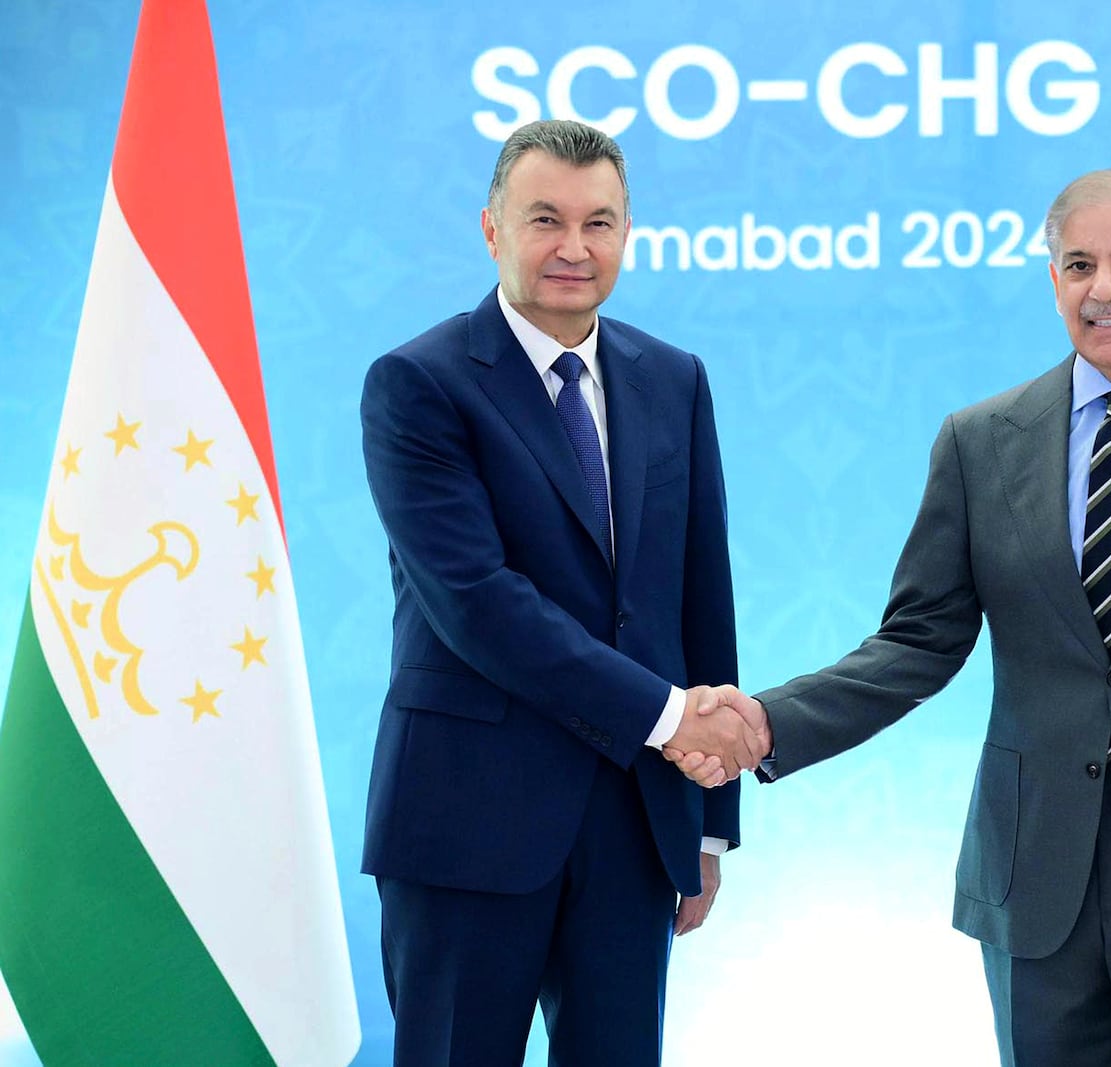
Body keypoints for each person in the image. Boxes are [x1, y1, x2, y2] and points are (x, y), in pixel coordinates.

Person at [668, 168, 1111, 1067]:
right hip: (1037, 881)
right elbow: (917, 642)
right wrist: (767, 722)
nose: (1104, 288)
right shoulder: (980, 442)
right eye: (1079, 264)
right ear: (1053, 281)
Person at [360, 119, 767, 1067]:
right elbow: (478, 603)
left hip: (635, 826)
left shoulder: (674, 378)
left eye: (599, 223)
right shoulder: (418, 385)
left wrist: (707, 824)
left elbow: (699, 594)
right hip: (466, 827)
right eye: (545, 219)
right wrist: (673, 719)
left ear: (627, 235)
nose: (574, 248)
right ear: (493, 229)